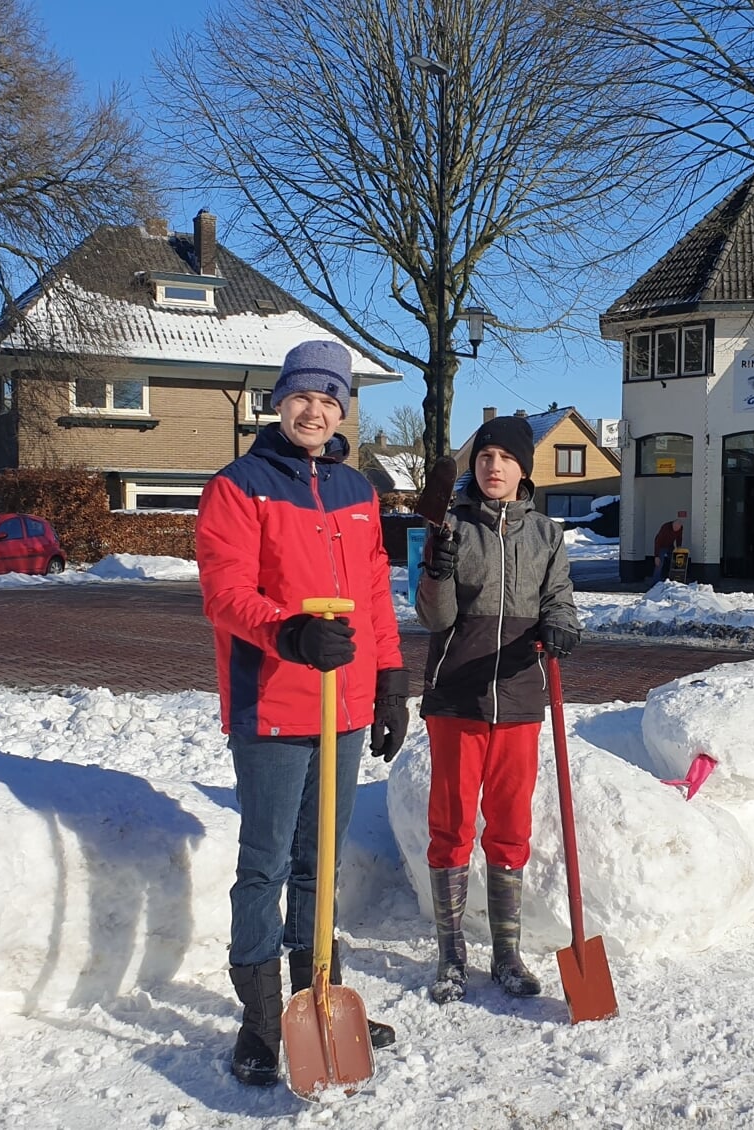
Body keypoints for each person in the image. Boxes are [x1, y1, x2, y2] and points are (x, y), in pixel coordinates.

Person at [195, 339, 409, 1086]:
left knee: (322, 863)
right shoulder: (239, 485)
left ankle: (316, 996)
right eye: (301, 397)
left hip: (344, 704)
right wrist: (289, 631)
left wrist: (388, 681)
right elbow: (224, 592)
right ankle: (258, 1024)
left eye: (328, 398)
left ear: (343, 408)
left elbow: (377, 593)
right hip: (273, 704)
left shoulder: (356, 491)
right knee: (265, 864)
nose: (314, 410)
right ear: (278, 401)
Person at [415, 415, 582, 1004]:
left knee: (510, 826)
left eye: (505, 458)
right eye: (484, 456)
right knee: (452, 822)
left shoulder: (546, 534)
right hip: (457, 694)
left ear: (522, 469)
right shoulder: (452, 527)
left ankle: (506, 951)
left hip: (517, 695)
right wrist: (436, 571)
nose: (493, 466)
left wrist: (561, 623)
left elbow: (559, 595)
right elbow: (433, 619)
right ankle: (451, 950)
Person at [650, 513, 685, 584]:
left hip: (670, 546)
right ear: (673, 525)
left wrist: (678, 547)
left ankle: (674, 580)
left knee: (675, 561)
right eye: (675, 528)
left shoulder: (680, 528)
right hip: (661, 546)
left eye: (677, 529)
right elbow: (657, 542)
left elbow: (679, 538)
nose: (676, 530)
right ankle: (655, 583)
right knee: (659, 563)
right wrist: (656, 556)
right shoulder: (665, 527)